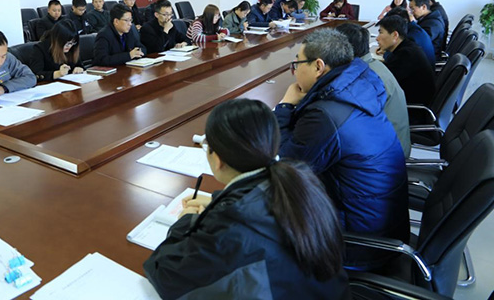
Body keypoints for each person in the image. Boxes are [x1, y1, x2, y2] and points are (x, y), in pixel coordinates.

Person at [144, 99, 350, 299]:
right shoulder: (300, 180)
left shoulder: (230, 226)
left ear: (217, 159)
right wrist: (218, 202)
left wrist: (185, 221)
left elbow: (164, 273)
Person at [273, 29, 408, 267]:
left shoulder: (327, 113)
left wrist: (284, 106)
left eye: (297, 64)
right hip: (382, 226)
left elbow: (286, 165)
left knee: (263, 218)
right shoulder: (356, 85)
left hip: (357, 243)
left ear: (318, 66)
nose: (294, 71)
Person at [336, 23, 411, 157]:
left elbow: (340, 120)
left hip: (386, 156)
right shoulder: (372, 66)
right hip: (390, 146)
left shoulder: (363, 79)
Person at [376, 15, 436, 110]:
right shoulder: (407, 47)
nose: (377, 38)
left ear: (395, 35)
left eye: (381, 33)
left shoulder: (406, 54)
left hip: (413, 109)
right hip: (412, 102)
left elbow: (383, 82)